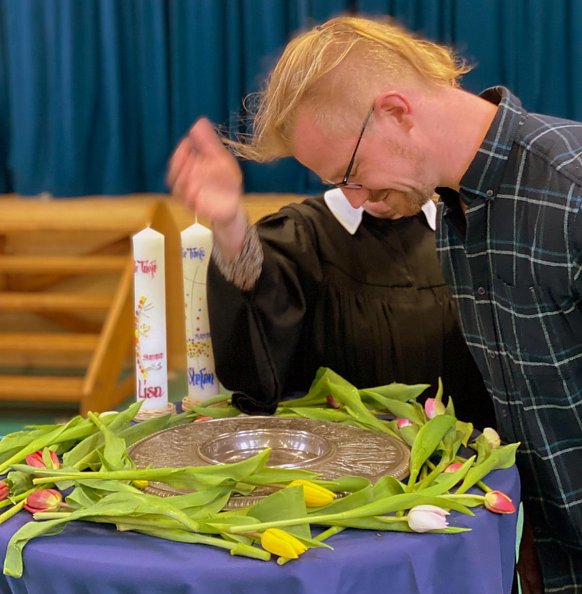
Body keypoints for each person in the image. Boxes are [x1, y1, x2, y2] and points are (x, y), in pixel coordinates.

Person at [167, 16, 582, 593]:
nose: (355, 197)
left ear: (395, 112)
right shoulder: (464, 220)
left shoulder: (568, 186)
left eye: (352, 174)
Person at [206, 186, 495, 429]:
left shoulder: (461, 228)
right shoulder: (303, 234)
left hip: (462, 458)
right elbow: (256, 309)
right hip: (346, 465)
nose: (370, 185)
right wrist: (231, 227)